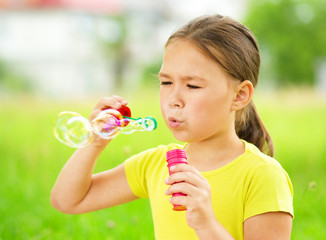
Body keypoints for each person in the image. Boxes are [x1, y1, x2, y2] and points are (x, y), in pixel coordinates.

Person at [51, 14, 293, 240]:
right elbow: (69, 201)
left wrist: (207, 224)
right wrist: (96, 140)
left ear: (239, 95)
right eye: (166, 82)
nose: (173, 98)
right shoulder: (157, 164)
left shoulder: (263, 176)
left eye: (193, 86)